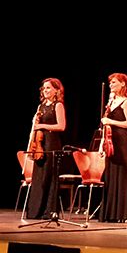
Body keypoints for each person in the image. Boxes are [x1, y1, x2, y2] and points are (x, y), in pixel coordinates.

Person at [25, 78, 66, 220]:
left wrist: (42, 126)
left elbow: (61, 126)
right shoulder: (41, 106)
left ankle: (48, 212)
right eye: (44, 88)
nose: (45, 90)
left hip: (52, 145)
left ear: (56, 90)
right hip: (40, 145)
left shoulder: (58, 105)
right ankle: (35, 211)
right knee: (39, 178)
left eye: (48, 88)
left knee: (49, 178)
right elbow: (35, 127)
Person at [99, 73, 127, 223]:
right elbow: (106, 125)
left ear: (122, 84)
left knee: (121, 175)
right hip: (110, 141)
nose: (111, 85)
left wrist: (110, 121)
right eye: (110, 83)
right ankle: (109, 213)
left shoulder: (126, 102)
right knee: (110, 175)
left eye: (114, 82)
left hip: (122, 141)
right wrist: (102, 143)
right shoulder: (111, 102)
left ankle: (120, 213)